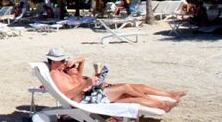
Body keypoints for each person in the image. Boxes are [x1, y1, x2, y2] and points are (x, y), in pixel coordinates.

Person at [46, 47, 185, 112]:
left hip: (92, 92)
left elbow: (82, 59)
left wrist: (75, 61)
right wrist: (86, 84)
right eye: (61, 60)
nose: (64, 62)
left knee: (135, 91)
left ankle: (166, 100)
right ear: (53, 61)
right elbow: (67, 96)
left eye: (64, 59)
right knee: (125, 88)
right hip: (87, 99)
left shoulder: (67, 71)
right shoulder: (55, 75)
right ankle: (159, 102)